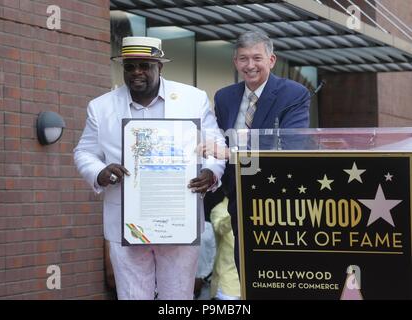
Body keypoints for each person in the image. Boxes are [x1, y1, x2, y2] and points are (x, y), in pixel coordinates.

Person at [74, 36, 225, 300]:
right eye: (129, 67)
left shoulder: (193, 99)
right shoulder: (100, 107)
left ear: (160, 66)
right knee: (132, 295)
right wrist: (99, 171)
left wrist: (211, 172)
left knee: (177, 297)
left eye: (144, 65)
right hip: (127, 221)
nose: (136, 73)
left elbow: (215, 146)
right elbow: (84, 152)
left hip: (179, 218)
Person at [209, 31, 311, 272]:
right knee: (246, 270)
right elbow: (216, 141)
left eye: (257, 58)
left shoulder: (294, 94)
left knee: (279, 274)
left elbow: (289, 148)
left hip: (280, 201)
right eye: (243, 59)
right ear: (235, 62)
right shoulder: (224, 98)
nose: (250, 65)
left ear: (271, 60)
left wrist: (231, 153)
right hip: (239, 201)